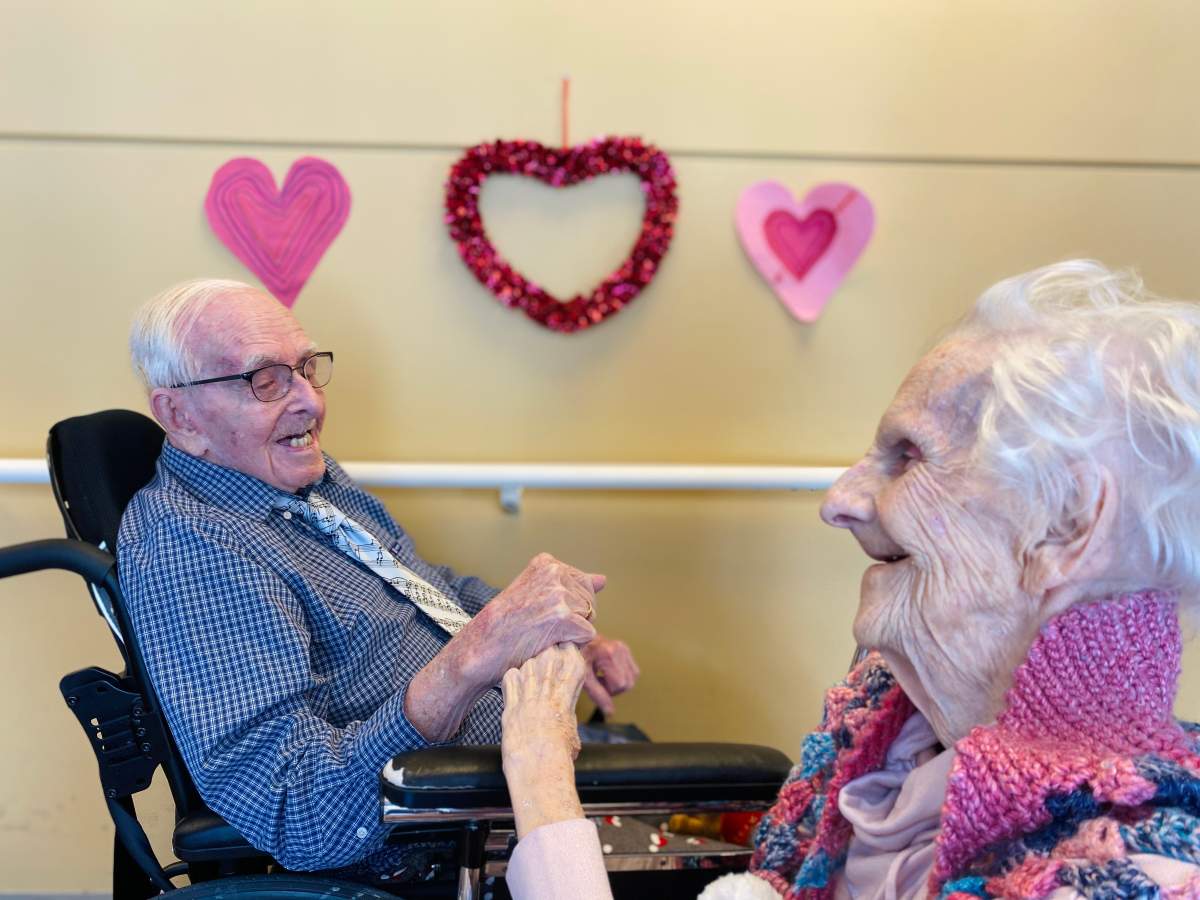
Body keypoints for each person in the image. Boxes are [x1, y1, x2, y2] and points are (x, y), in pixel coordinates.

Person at [497, 260, 1200, 899]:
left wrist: (540, 772)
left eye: (909, 455)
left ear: (1069, 524)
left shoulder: (1134, 871)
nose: (839, 500)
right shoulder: (881, 738)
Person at [117, 278, 640, 875]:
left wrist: (542, 623)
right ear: (179, 415)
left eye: (307, 367)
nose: (311, 402)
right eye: (265, 380)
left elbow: (424, 586)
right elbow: (300, 809)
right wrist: (470, 661)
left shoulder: (304, 478)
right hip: (452, 837)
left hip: (526, 772)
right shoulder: (194, 542)